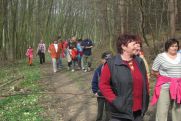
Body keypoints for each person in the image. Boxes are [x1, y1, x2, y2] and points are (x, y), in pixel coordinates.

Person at [99, 34, 149, 121]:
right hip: (120, 113)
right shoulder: (111, 64)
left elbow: (145, 82)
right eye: (133, 44)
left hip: (139, 112)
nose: (136, 46)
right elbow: (103, 85)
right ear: (123, 47)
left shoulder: (139, 61)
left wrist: (146, 98)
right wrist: (116, 101)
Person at [151, 38, 181, 121]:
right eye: (172, 46)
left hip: (179, 87)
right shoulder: (161, 57)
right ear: (167, 47)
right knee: (162, 110)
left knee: (178, 110)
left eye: (176, 46)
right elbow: (154, 71)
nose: (174, 48)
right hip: (165, 87)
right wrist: (164, 79)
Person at [92, 51, 112, 121]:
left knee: (108, 110)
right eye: (106, 60)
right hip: (100, 93)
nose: (108, 62)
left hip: (109, 94)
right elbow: (94, 82)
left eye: (110, 60)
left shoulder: (113, 70)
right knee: (100, 110)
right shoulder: (98, 70)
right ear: (102, 60)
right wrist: (95, 92)